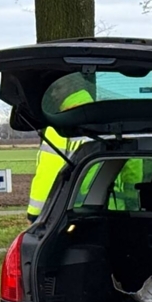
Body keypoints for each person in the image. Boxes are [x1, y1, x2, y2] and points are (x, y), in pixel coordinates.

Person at [27, 89, 100, 222]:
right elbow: (132, 171)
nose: (53, 95)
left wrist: (35, 214)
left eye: (55, 91)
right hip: (118, 210)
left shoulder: (60, 126)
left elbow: (49, 172)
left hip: (75, 210)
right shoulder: (112, 124)